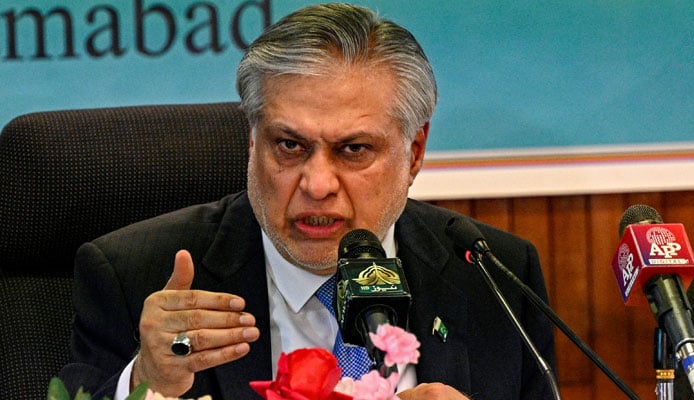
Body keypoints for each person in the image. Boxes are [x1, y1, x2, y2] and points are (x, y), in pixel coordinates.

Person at [58, 3, 556, 399]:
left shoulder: (494, 276)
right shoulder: (132, 275)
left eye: (353, 149)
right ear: (253, 142)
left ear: (415, 153)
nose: (317, 184)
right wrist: (149, 381)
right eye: (290, 146)